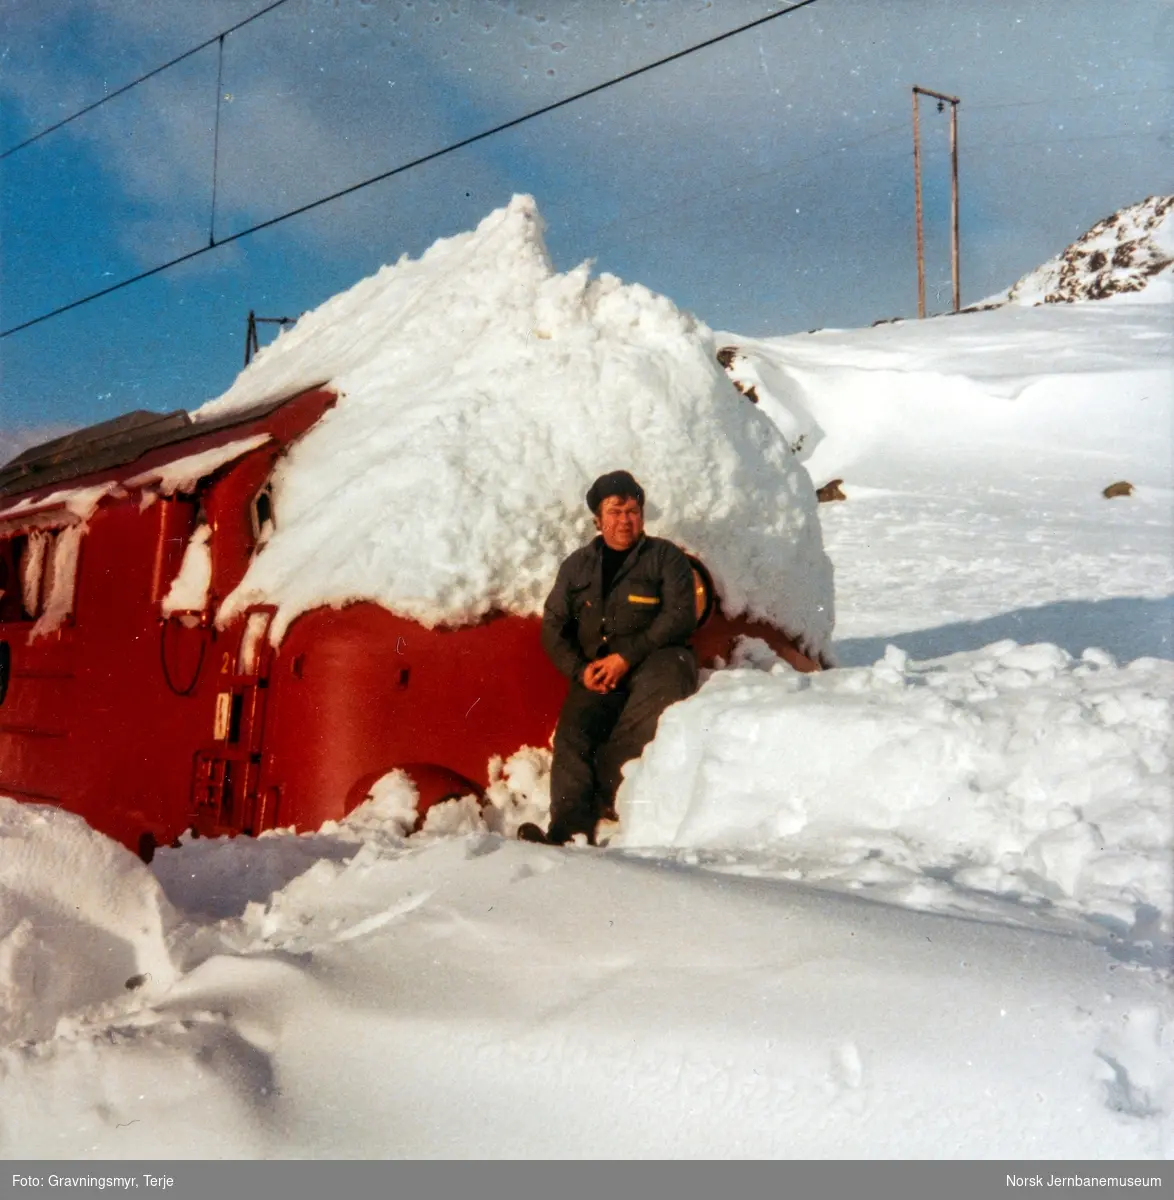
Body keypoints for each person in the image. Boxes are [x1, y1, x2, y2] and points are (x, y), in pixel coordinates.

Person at [520, 470, 699, 845]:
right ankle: (568, 830)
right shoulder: (577, 567)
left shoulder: (665, 559)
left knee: (663, 686)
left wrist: (626, 657)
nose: (625, 520)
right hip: (599, 671)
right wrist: (580, 671)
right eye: (615, 512)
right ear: (597, 520)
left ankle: (609, 789)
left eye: (632, 510)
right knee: (574, 732)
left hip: (652, 663)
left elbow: (679, 617)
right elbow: (553, 626)